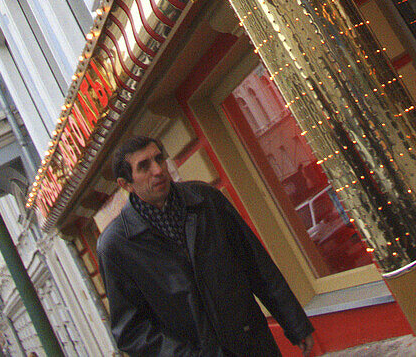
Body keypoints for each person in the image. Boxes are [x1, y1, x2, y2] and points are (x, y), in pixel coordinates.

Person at [97, 135, 315, 357]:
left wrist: (295, 324)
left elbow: (256, 263)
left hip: (251, 344)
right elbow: (131, 332)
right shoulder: (116, 246)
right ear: (126, 185)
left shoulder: (205, 200)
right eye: (144, 166)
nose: (158, 170)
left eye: (159, 159)